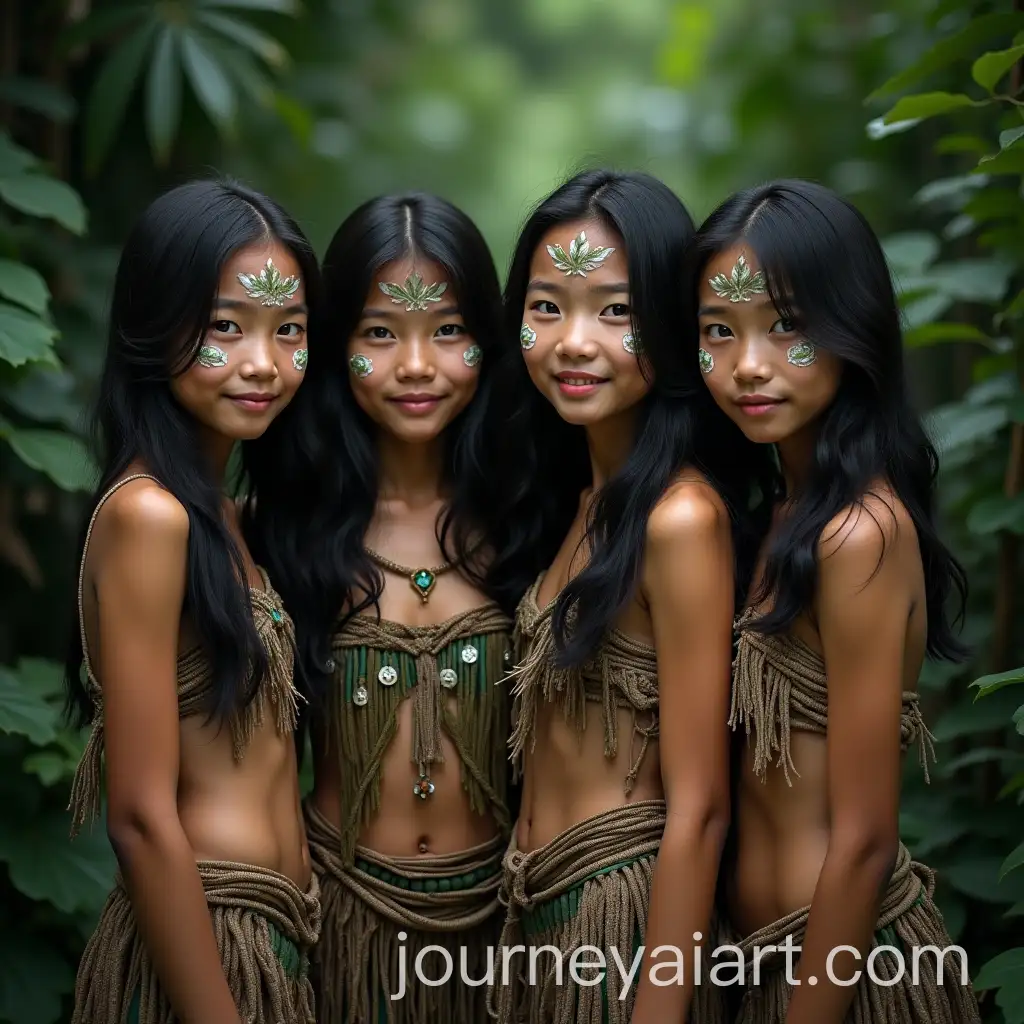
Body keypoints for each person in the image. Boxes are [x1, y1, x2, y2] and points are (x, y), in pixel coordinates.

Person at [689, 178, 981, 1023]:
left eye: (787, 328)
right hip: (769, 968)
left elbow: (862, 841)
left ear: (852, 330)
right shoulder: (773, 514)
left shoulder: (860, 534)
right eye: (719, 331)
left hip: (846, 977)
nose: (749, 364)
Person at [488, 168, 772, 1024]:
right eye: (547, 307)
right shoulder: (577, 503)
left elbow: (701, 806)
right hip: (540, 917)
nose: (576, 342)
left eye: (616, 312)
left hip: (624, 925)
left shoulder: (679, 518)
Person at [246, 192, 537, 1023]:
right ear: (337, 348)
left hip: (501, 929)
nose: (417, 364)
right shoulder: (281, 530)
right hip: (340, 923)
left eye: (447, 331)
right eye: (381, 332)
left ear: (487, 339)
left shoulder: (533, 520)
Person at [64, 179, 322, 1024]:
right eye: (226, 326)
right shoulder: (148, 516)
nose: (264, 361)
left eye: (289, 330)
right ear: (154, 324)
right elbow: (139, 817)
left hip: (272, 942)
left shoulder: (225, 518)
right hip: (201, 951)